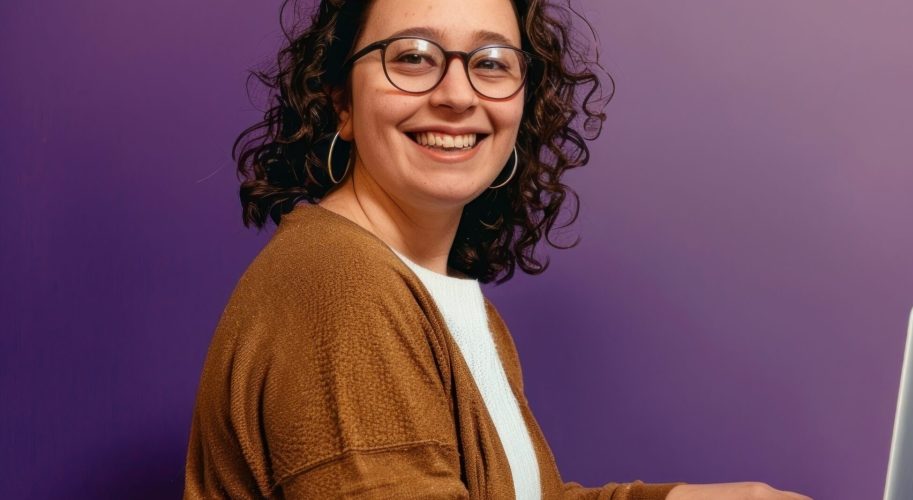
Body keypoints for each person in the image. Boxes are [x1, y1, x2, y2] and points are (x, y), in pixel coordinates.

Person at [183, 0, 813, 498]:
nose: (458, 95)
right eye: (413, 57)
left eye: (490, 62)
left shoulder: (449, 302)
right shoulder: (340, 284)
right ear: (341, 103)